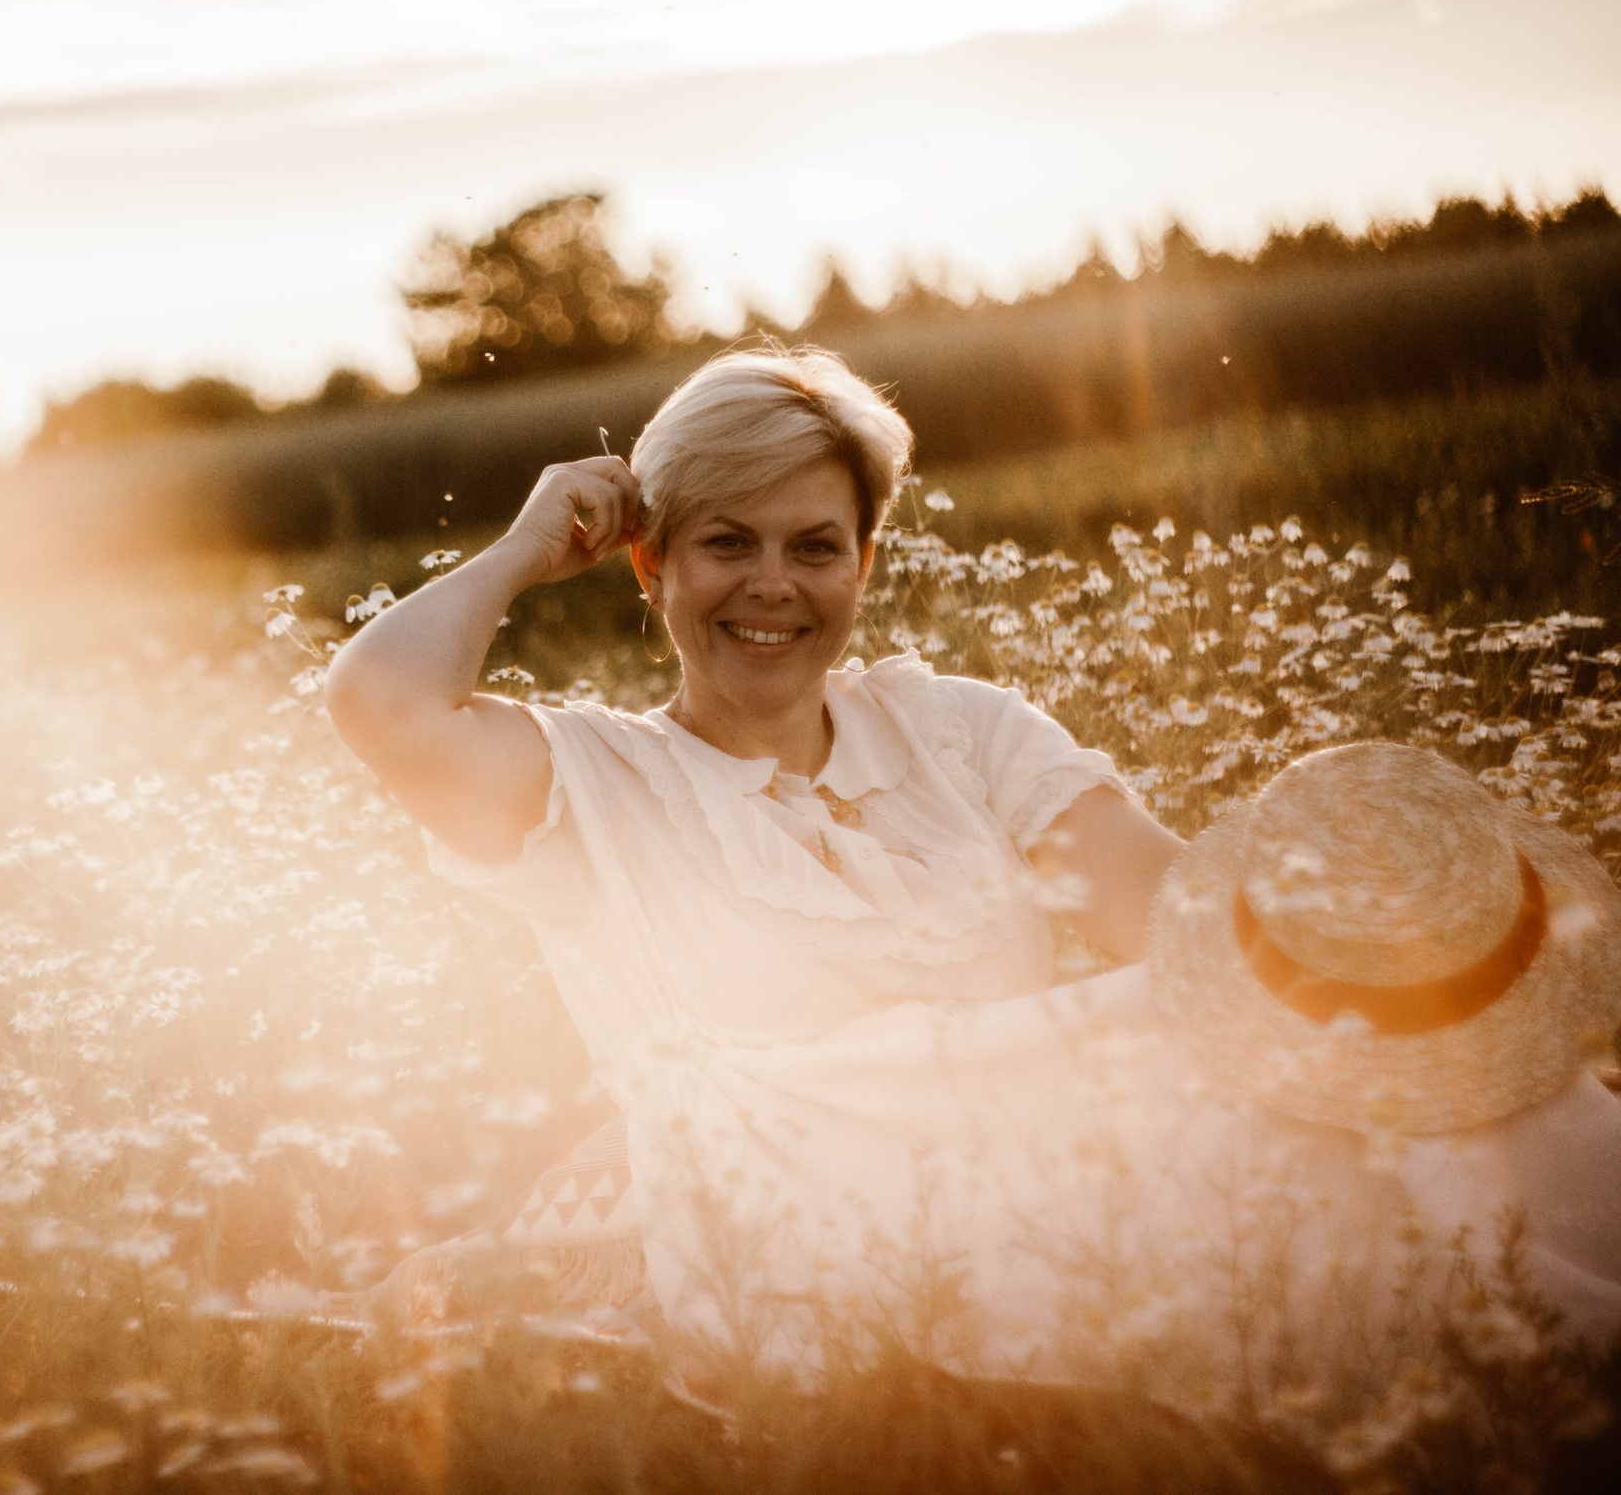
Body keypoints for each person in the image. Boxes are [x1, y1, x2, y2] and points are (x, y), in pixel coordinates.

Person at [324, 343, 1621, 1414]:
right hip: (804, 1226)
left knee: (1398, 1097)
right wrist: (522, 547)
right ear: (649, 567)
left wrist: (1388, 970)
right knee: (1304, 1199)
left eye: (815, 547)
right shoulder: (594, 787)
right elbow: (382, 702)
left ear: (863, 565)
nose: (773, 587)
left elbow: (1174, 931)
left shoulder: (961, 733)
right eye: (726, 543)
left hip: (1048, 1161)